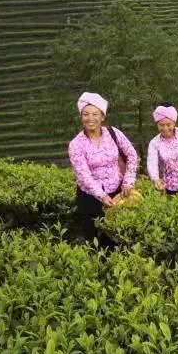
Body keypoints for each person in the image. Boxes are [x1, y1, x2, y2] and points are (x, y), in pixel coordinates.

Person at [68, 92, 139, 245]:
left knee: (121, 239)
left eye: (95, 114)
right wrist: (102, 196)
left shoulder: (114, 133)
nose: (90, 118)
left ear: (102, 117)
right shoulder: (76, 144)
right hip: (90, 198)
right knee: (96, 242)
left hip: (117, 194)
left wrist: (128, 181)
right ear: (81, 117)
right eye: (86, 114)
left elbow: (132, 155)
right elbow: (83, 175)